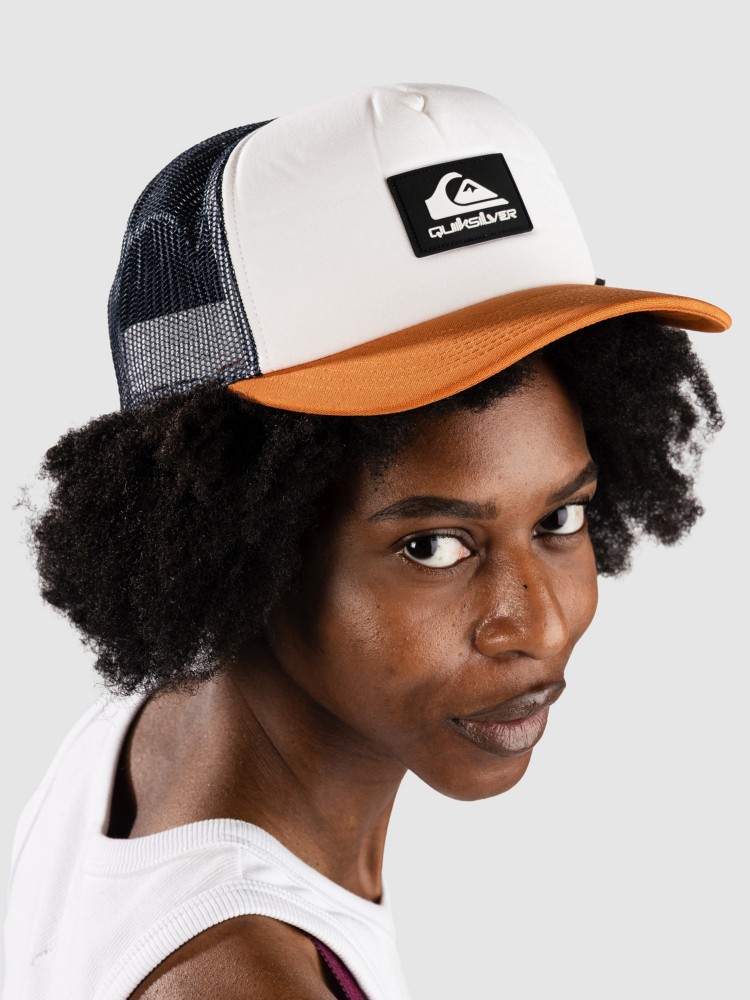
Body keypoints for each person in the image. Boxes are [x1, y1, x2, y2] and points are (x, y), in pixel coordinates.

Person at [1, 83, 730, 1000]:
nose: (539, 626)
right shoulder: (245, 976)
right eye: (434, 547)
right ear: (235, 534)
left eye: (560, 520)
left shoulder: (147, 740)